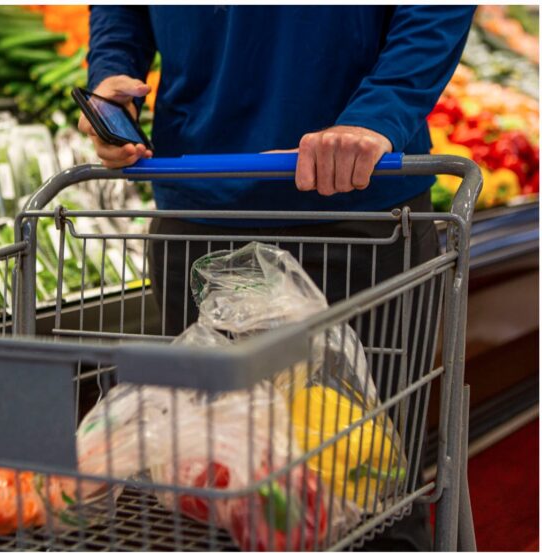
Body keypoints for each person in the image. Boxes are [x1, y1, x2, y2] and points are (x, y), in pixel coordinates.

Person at [80, 6, 475, 551]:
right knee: (214, 500)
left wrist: (377, 113)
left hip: (357, 208)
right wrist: (111, 73)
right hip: (197, 205)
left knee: (369, 499)